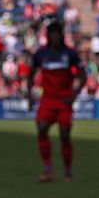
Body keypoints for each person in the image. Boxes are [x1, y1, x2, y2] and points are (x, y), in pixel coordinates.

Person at [27, 20, 83, 182]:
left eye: (58, 34)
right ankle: (48, 169)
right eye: (52, 34)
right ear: (49, 36)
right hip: (48, 99)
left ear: (62, 35)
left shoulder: (70, 53)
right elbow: (31, 74)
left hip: (64, 100)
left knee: (65, 135)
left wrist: (74, 93)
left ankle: (67, 171)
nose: (55, 37)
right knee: (42, 129)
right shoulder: (41, 54)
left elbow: (82, 74)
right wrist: (29, 94)